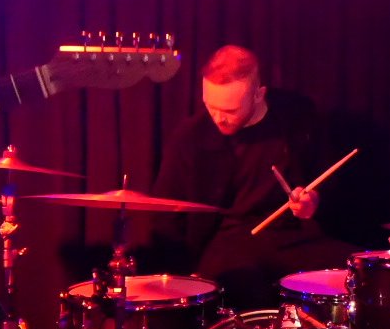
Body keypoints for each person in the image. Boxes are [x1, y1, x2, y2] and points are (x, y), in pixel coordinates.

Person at [148, 44, 349, 309]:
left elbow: (327, 181)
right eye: (211, 106)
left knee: (353, 270)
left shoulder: (297, 119)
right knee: (244, 280)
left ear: (258, 95)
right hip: (225, 242)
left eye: (229, 111)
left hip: (290, 238)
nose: (219, 118)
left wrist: (313, 203)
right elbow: (165, 216)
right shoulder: (191, 137)